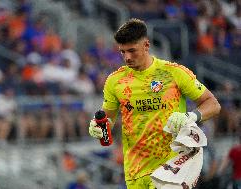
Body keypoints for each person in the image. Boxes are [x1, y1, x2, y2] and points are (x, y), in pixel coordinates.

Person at [88, 18, 221, 189]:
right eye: (122, 52)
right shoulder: (115, 81)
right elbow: (108, 119)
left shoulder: (173, 72)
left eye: (132, 50)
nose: (127, 57)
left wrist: (190, 116)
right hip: (135, 171)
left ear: (146, 45)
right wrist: (98, 127)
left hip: (172, 167)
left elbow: (213, 104)